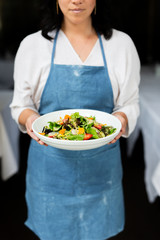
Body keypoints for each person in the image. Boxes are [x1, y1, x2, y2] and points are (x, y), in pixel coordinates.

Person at [10, 0, 140, 239]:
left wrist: (121, 118)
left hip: (101, 173)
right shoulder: (33, 45)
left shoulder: (121, 45)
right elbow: (20, 105)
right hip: (50, 174)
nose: (76, 0)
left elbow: (130, 103)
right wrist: (31, 120)